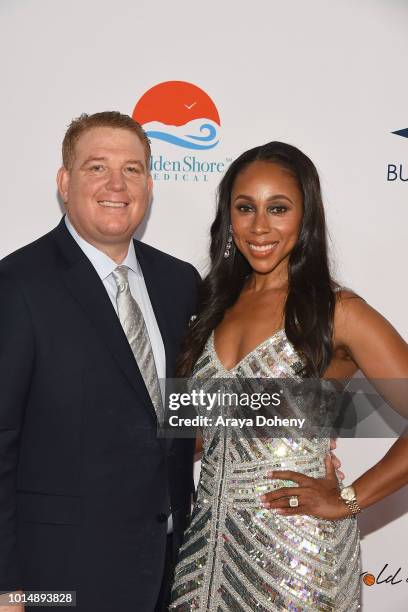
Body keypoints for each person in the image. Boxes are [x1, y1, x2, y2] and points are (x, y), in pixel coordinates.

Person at [169, 141, 408, 610]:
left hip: (299, 558)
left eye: (278, 208)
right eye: (245, 208)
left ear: (306, 217)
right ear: (228, 217)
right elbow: (199, 432)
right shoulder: (211, 307)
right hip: (202, 555)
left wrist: (349, 499)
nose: (260, 226)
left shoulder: (338, 312)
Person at [0, 112, 199, 611]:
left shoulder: (180, 283)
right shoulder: (17, 284)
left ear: (149, 185)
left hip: (171, 571)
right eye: (96, 167)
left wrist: (314, 418)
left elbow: (189, 411)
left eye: (132, 169)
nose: (117, 184)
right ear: (64, 182)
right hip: (59, 581)